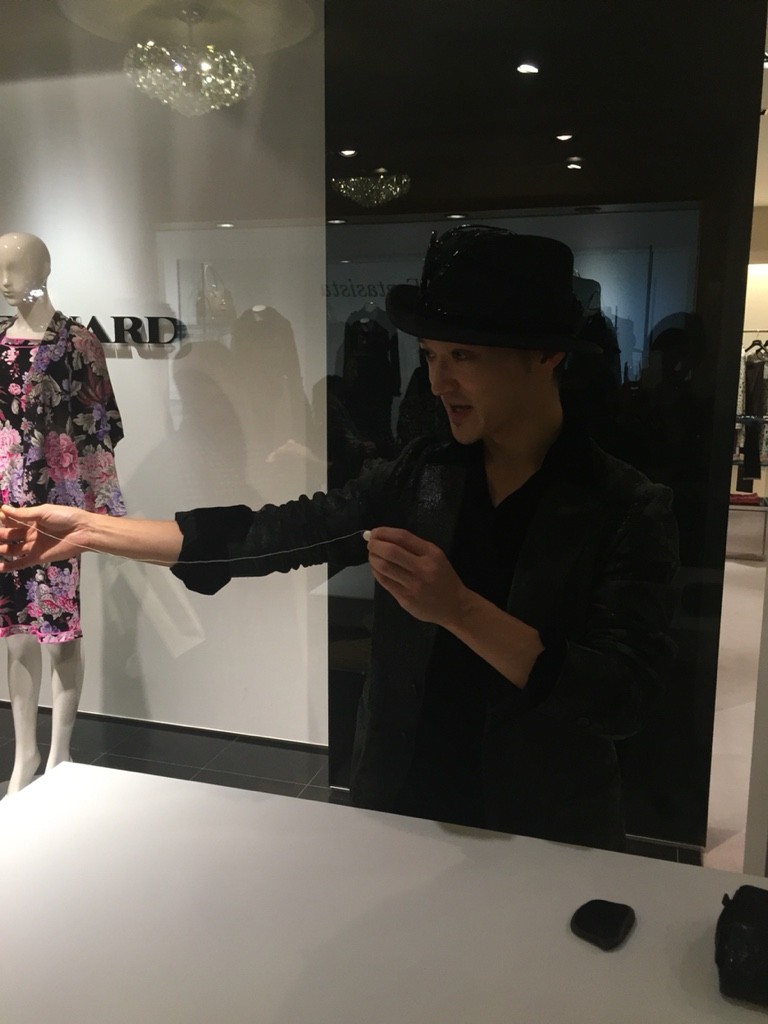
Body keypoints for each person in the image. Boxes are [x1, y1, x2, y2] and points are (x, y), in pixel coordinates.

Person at [0, 226, 679, 850]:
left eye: (463, 355)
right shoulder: (422, 475)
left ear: (547, 356)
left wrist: (459, 609)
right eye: (431, 355)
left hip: (548, 835)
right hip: (402, 812)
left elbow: (622, 699)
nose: (438, 380)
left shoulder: (624, 506)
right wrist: (87, 529)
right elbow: (273, 535)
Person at [0, 232, 125, 794]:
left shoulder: (78, 342)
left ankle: (60, 753)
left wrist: (101, 514)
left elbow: (100, 428)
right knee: (14, 633)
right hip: (6, 504)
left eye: (16, 268)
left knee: (59, 630)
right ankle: (24, 754)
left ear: (44, 268)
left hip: (59, 504)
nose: (5, 282)